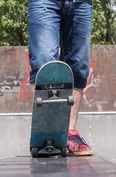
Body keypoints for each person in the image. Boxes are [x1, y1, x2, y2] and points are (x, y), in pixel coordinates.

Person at [27, 0, 94, 156]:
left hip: (81, 3)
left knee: (78, 64)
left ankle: (69, 133)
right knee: (43, 61)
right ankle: (45, 131)